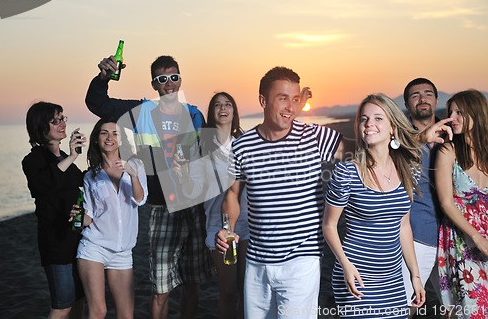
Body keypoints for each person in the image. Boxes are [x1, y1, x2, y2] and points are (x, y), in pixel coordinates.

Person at [215, 66, 355, 319]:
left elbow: (360, 151)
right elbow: (232, 195)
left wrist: (408, 140)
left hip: (302, 261)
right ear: (263, 101)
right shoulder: (242, 146)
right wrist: (228, 228)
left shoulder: (315, 137)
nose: (291, 107)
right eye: (282, 98)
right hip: (256, 264)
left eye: (295, 99)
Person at [85, 55, 212, 319]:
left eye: (174, 77)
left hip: (193, 206)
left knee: (192, 282)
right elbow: (98, 104)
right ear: (154, 84)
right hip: (162, 208)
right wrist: (103, 77)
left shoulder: (194, 114)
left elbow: (207, 157)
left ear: (180, 79)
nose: (169, 84)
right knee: (161, 290)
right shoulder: (142, 112)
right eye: (162, 79)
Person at [323, 93, 427, 318]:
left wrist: (415, 276)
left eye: (378, 118)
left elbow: (403, 227)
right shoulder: (347, 173)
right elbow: (329, 226)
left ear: (393, 127)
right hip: (355, 276)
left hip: (392, 279)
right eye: (364, 119)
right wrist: (345, 266)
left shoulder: (406, 171)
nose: (369, 124)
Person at [176, 92, 249, 319]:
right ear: (211, 113)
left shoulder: (245, 144)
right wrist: (183, 175)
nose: (223, 108)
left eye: (228, 104)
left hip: (249, 225)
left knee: (246, 291)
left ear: (234, 112)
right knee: (227, 292)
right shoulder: (200, 147)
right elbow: (193, 191)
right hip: (218, 226)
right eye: (217, 105)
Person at [71, 118, 148, 319]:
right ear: (96, 139)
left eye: (115, 133)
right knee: (98, 311)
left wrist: (132, 175)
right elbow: (89, 216)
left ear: (121, 140)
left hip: (123, 252)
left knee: (126, 314)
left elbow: (140, 199)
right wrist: (78, 216)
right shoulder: (91, 176)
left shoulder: (136, 166)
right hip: (94, 247)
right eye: (104, 133)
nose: (109, 137)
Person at [22, 101, 86, 319]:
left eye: (62, 118)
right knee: (62, 305)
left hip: (78, 239)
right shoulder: (33, 159)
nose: (61, 124)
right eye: (54, 120)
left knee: (79, 299)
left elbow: (85, 180)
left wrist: (104, 154)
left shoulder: (66, 160)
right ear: (41, 127)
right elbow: (41, 186)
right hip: (56, 243)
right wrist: (71, 157)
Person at [435, 89, 488, 318]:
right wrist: (476, 237)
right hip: (462, 237)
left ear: (477, 114)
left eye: (459, 112)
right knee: (471, 308)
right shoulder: (448, 151)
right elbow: (446, 202)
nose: (452, 118)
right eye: (450, 112)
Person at [401, 78, 443, 317]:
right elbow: (385, 151)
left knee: (461, 302)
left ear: (436, 100)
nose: (423, 98)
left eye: (428, 93)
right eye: (415, 95)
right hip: (417, 233)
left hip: (453, 235)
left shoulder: (452, 134)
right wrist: (420, 139)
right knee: (408, 304)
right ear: (407, 104)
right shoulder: (397, 137)